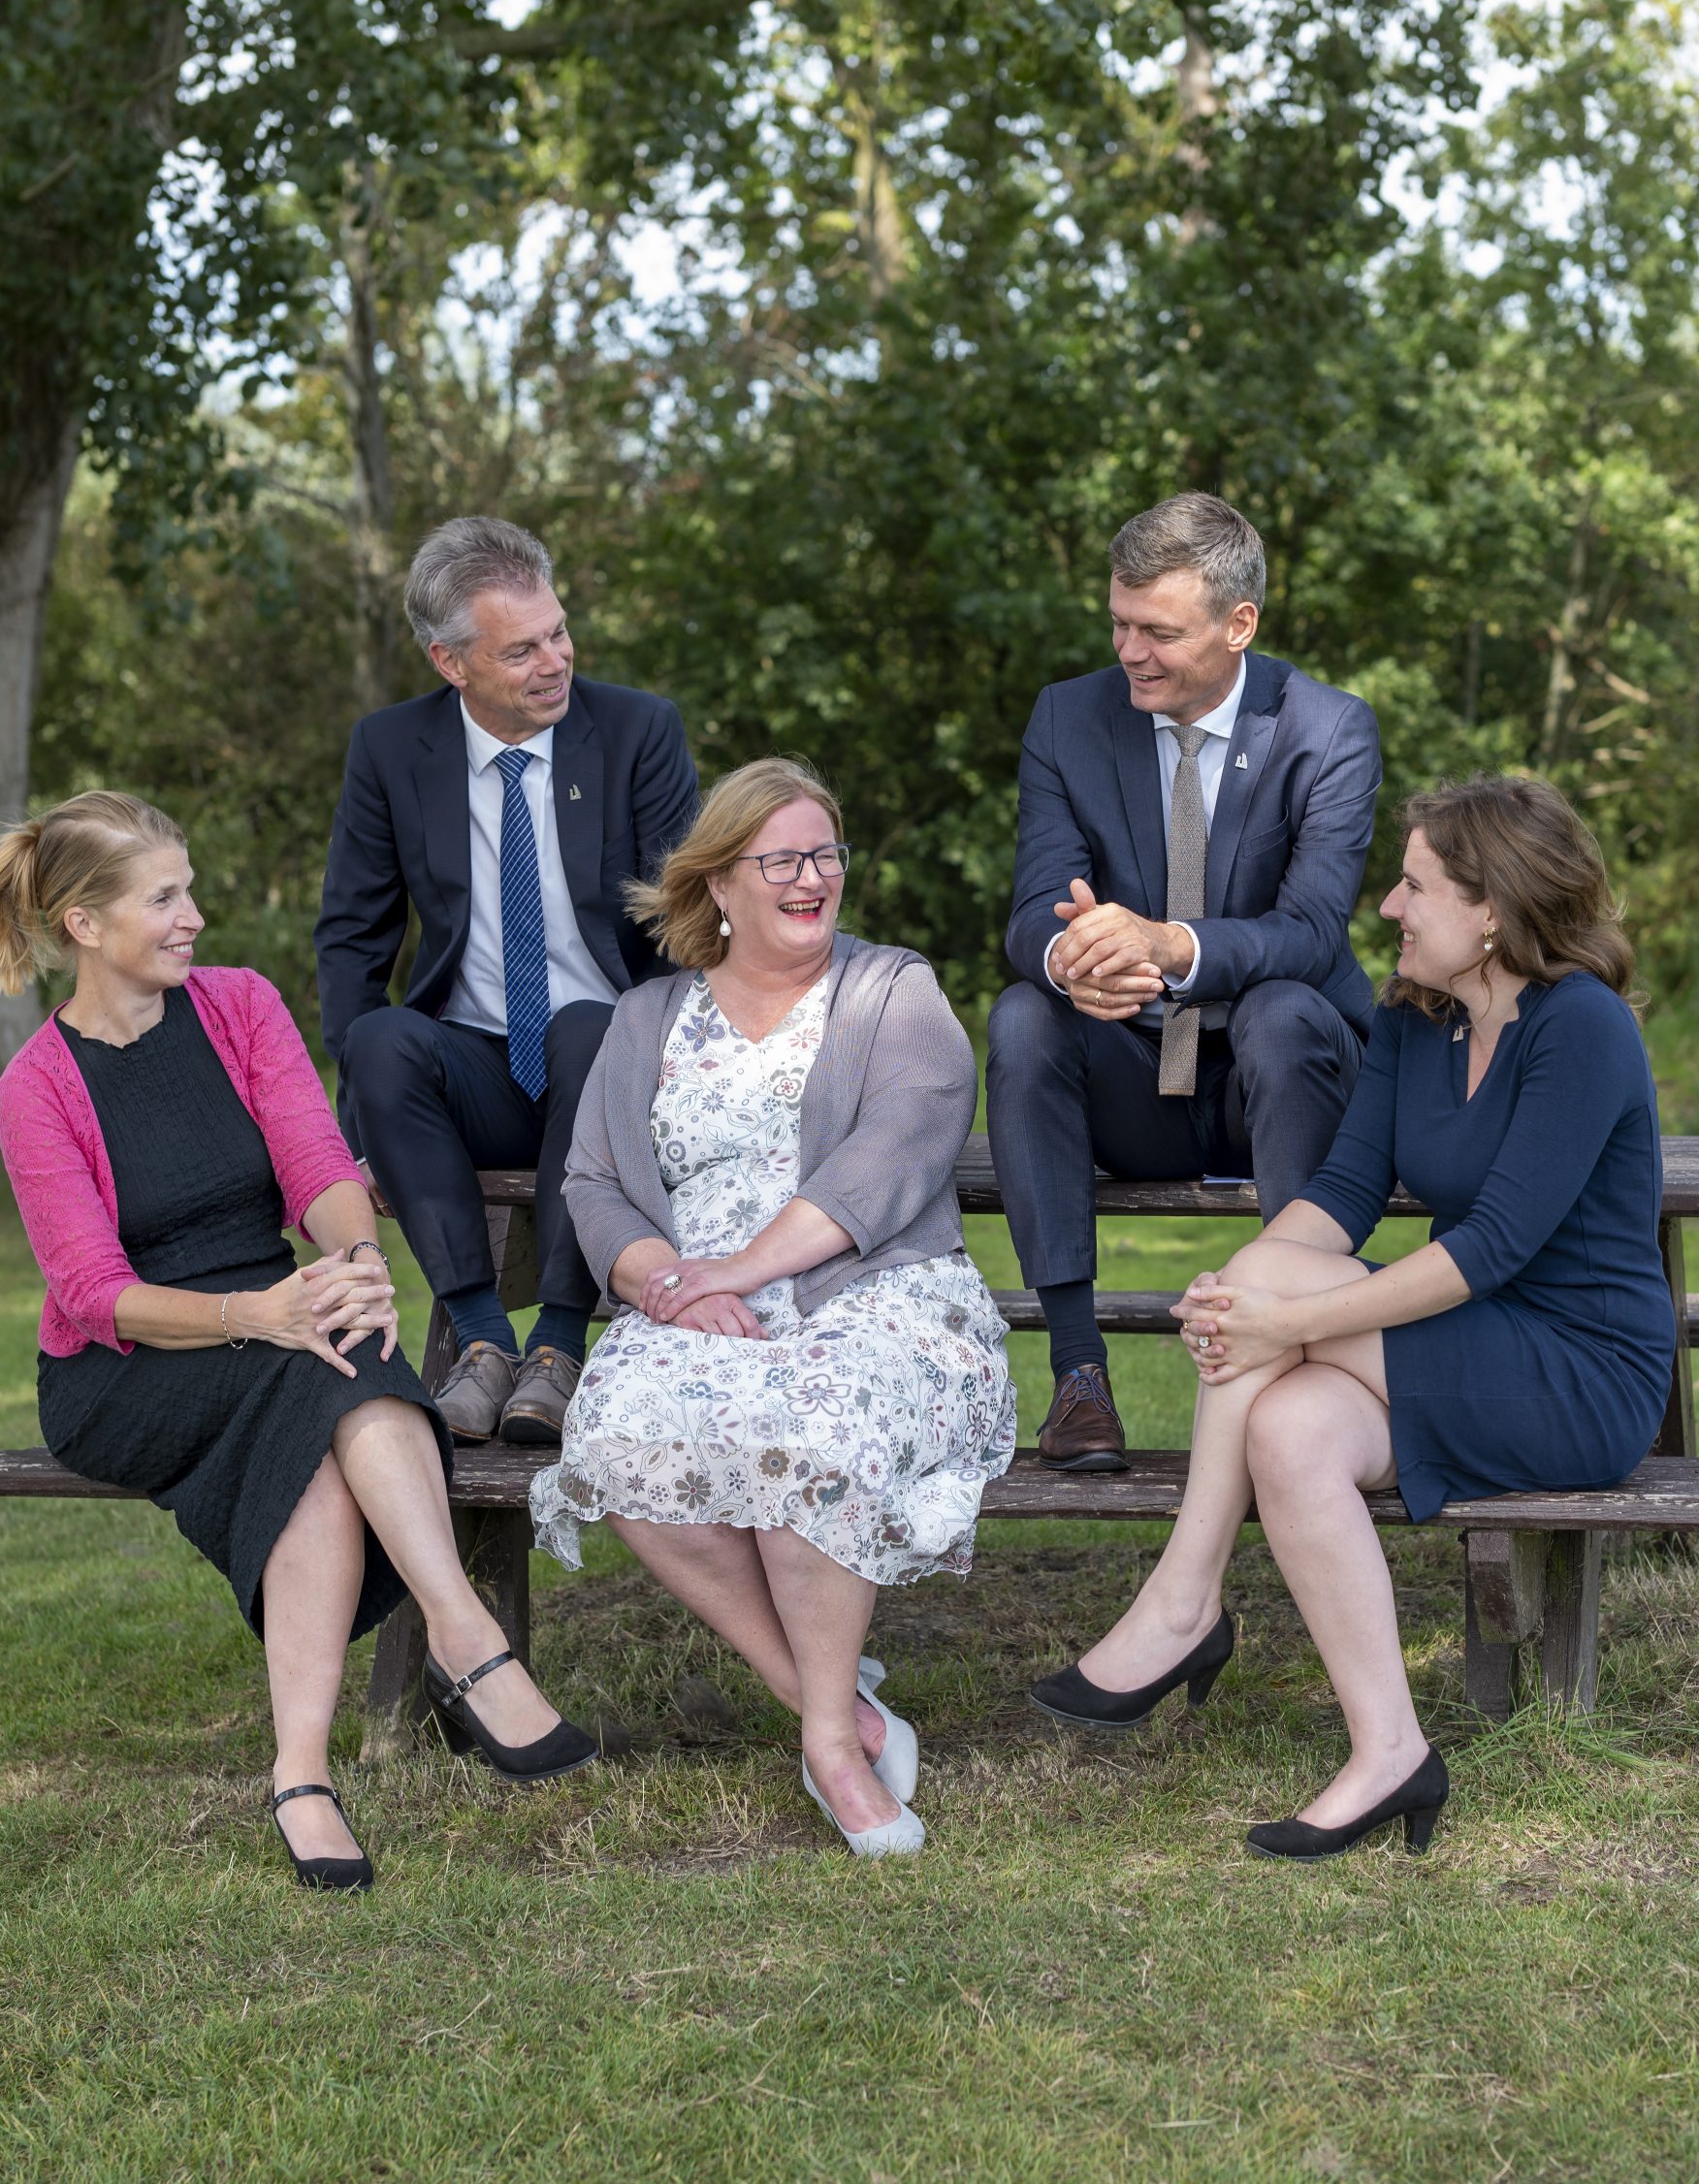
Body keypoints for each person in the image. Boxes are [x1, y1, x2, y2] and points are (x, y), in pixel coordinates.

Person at [0, 792, 597, 1893]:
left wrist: (351, 1266)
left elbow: (316, 1168)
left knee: (336, 1390)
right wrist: (261, 1314)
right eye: (164, 897)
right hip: (132, 1366)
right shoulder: (36, 1087)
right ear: (85, 925)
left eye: (188, 887)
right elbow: (95, 1293)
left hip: (286, 1319)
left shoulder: (240, 1006)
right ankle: (467, 1647)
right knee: (324, 1381)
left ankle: (305, 1772)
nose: (193, 915)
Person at [1030, 776, 1677, 1860]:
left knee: (1271, 1316)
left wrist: (1282, 1324)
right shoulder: (1413, 1016)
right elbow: (1338, 1195)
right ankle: (1388, 1751)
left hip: (1577, 1366)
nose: (1387, 906)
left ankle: (1183, 1602)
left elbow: (1489, 1251)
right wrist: (1243, 1286)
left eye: (1414, 884)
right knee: (1288, 1428)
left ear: (1490, 910)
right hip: (1463, 1341)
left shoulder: (1582, 1028)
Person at [531, 759, 1017, 1858]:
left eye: (826, 854)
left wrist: (741, 1268)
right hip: (696, 1302)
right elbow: (593, 1183)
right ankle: (828, 1703)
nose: (813, 878)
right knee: (616, 1437)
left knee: (814, 1428)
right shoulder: (648, 1016)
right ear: (718, 885)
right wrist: (668, 1283)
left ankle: (834, 1753)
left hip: (876, 1294)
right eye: (783, 859)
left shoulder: (894, 991)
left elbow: (899, 1152)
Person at [988, 493, 1383, 1473]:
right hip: (1133, 1084)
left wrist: (1167, 945)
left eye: (1157, 632)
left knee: (1287, 1011)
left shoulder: (1326, 730)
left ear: (1237, 624)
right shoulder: (1066, 717)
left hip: (1282, 1089)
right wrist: (1070, 961)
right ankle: (1078, 1374)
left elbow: (1309, 932)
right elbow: (1036, 906)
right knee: (1022, 1020)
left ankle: (1292, 1357)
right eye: (1119, 624)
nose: (1129, 651)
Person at [316, 517, 700, 1448]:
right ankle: (485, 1338)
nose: (554, 660)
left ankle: (559, 1346)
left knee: (584, 1024)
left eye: (559, 632)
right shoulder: (391, 749)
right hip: (480, 1071)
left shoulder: (638, 730)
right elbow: (351, 940)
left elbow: (689, 928)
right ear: (451, 663)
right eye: (521, 648)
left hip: (613, 1073)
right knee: (381, 1038)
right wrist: (358, 1117)